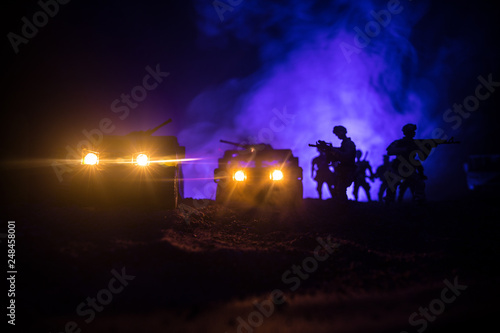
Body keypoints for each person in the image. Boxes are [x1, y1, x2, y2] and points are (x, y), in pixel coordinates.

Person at [385, 123, 427, 204]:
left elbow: (422, 155)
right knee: (392, 185)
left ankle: (419, 201)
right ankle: (389, 201)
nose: (413, 133)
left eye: (413, 132)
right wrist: (404, 149)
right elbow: (389, 151)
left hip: (410, 167)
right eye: (411, 132)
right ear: (406, 133)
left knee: (420, 184)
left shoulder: (416, 143)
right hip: (399, 167)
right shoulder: (399, 142)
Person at [329, 125, 357, 202]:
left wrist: (332, 150)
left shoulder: (349, 144)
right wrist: (330, 149)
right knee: (340, 190)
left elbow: (345, 156)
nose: (337, 135)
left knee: (341, 190)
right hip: (344, 170)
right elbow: (340, 151)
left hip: (348, 170)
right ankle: (342, 208)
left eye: (338, 133)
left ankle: (344, 209)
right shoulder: (344, 143)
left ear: (342, 132)